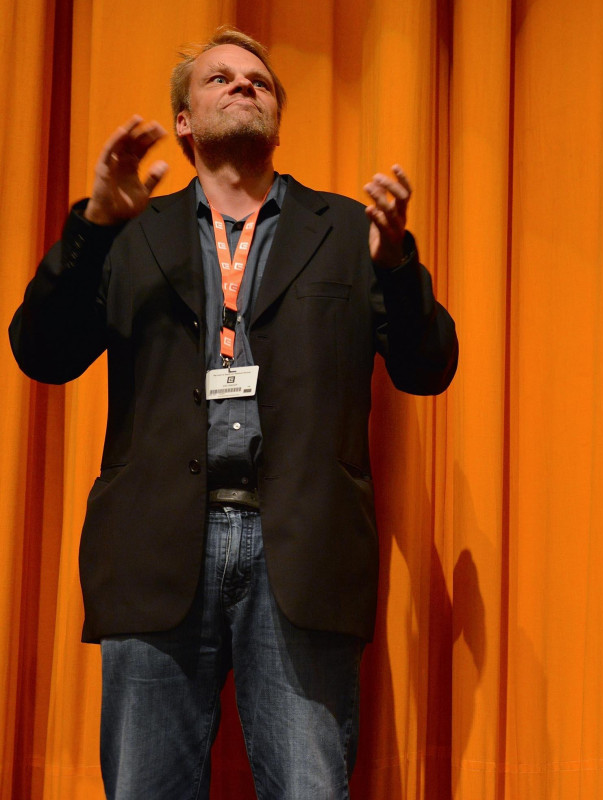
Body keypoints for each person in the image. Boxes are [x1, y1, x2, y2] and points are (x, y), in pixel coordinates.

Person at [9, 26, 458, 798]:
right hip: (154, 552)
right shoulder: (132, 233)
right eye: (219, 78)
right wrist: (92, 228)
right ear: (184, 120)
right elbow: (43, 353)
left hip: (302, 554)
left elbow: (430, 368)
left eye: (259, 80)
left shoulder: (347, 231)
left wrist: (397, 266)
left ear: (277, 122)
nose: (244, 84)